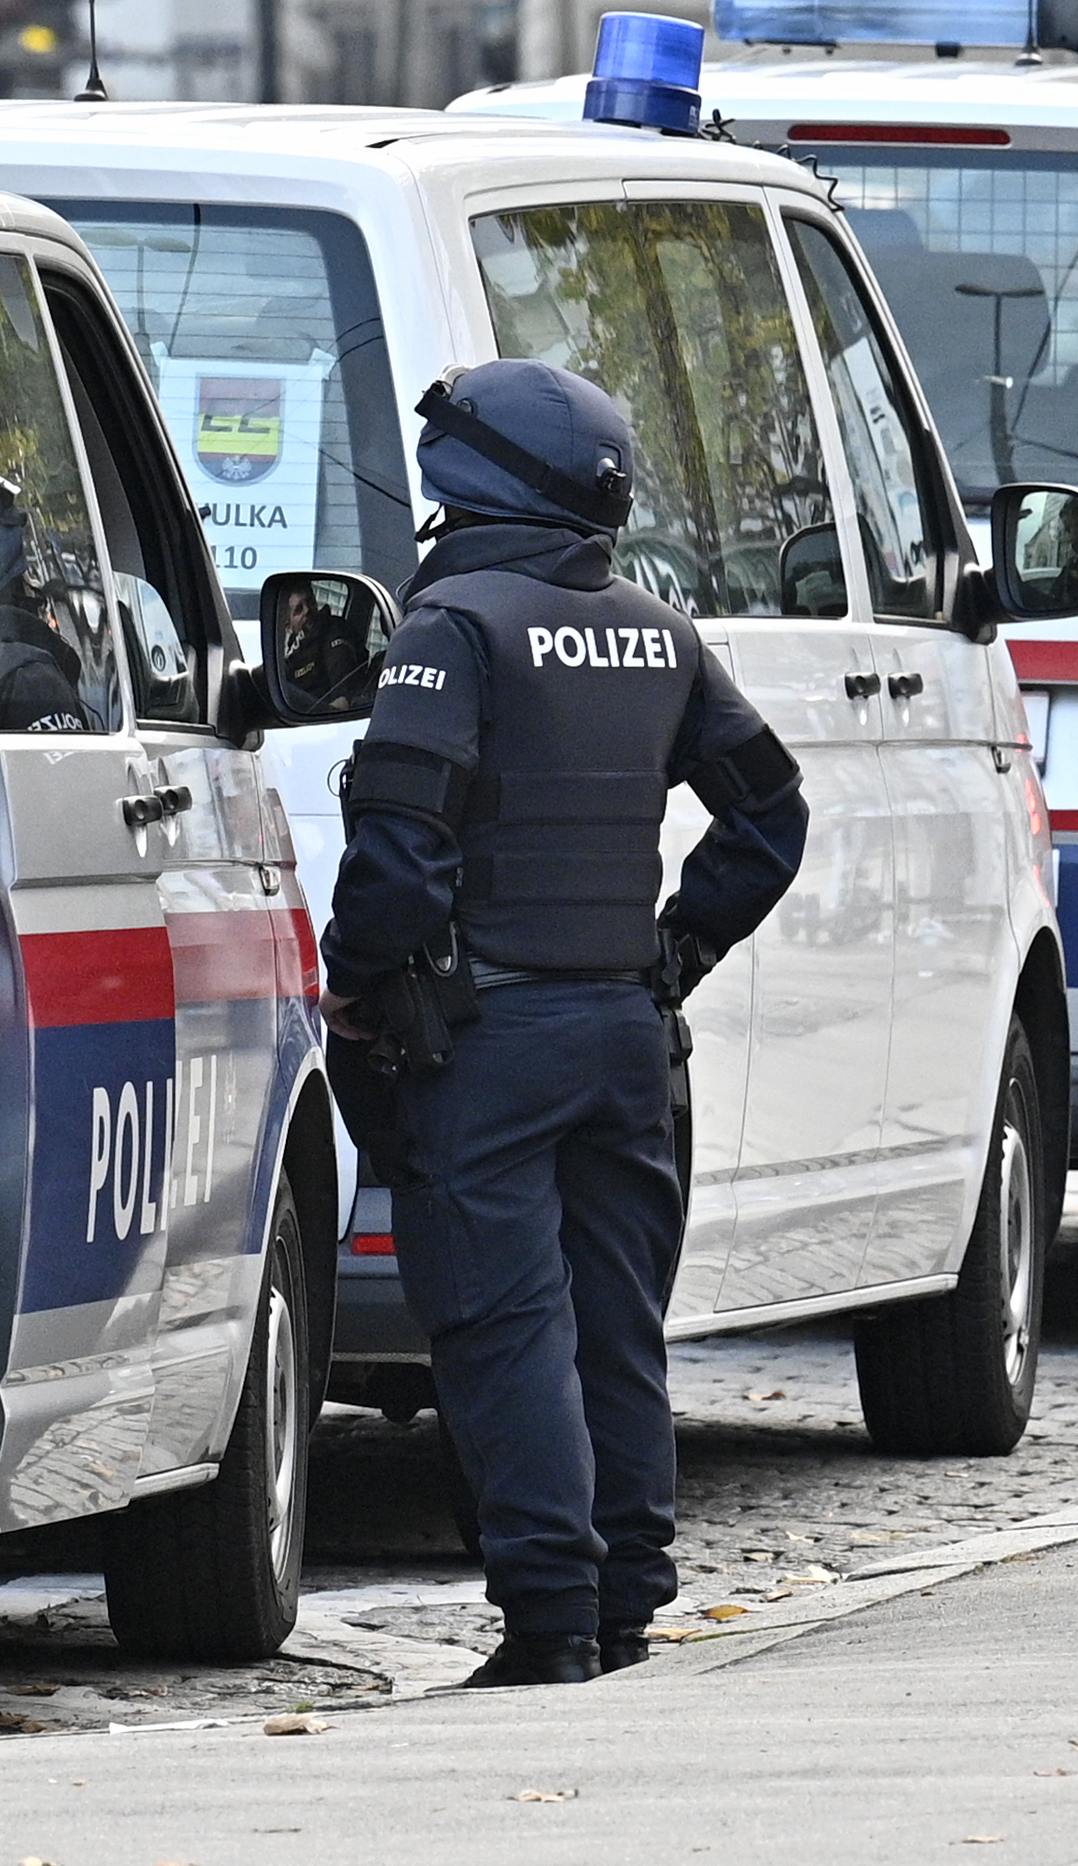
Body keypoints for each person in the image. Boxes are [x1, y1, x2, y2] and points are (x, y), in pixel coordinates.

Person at [318, 360, 807, 1686]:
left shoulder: (453, 627)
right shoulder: (660, 629)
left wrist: (356, 977)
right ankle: (629, 1598)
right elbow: (771, 816)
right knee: (611, 1322)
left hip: (485, 1039)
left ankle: (547, 1621)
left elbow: (400, 851)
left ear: (465, 481)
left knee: (502, 1327)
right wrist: (674, 952)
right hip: (623, 1035)